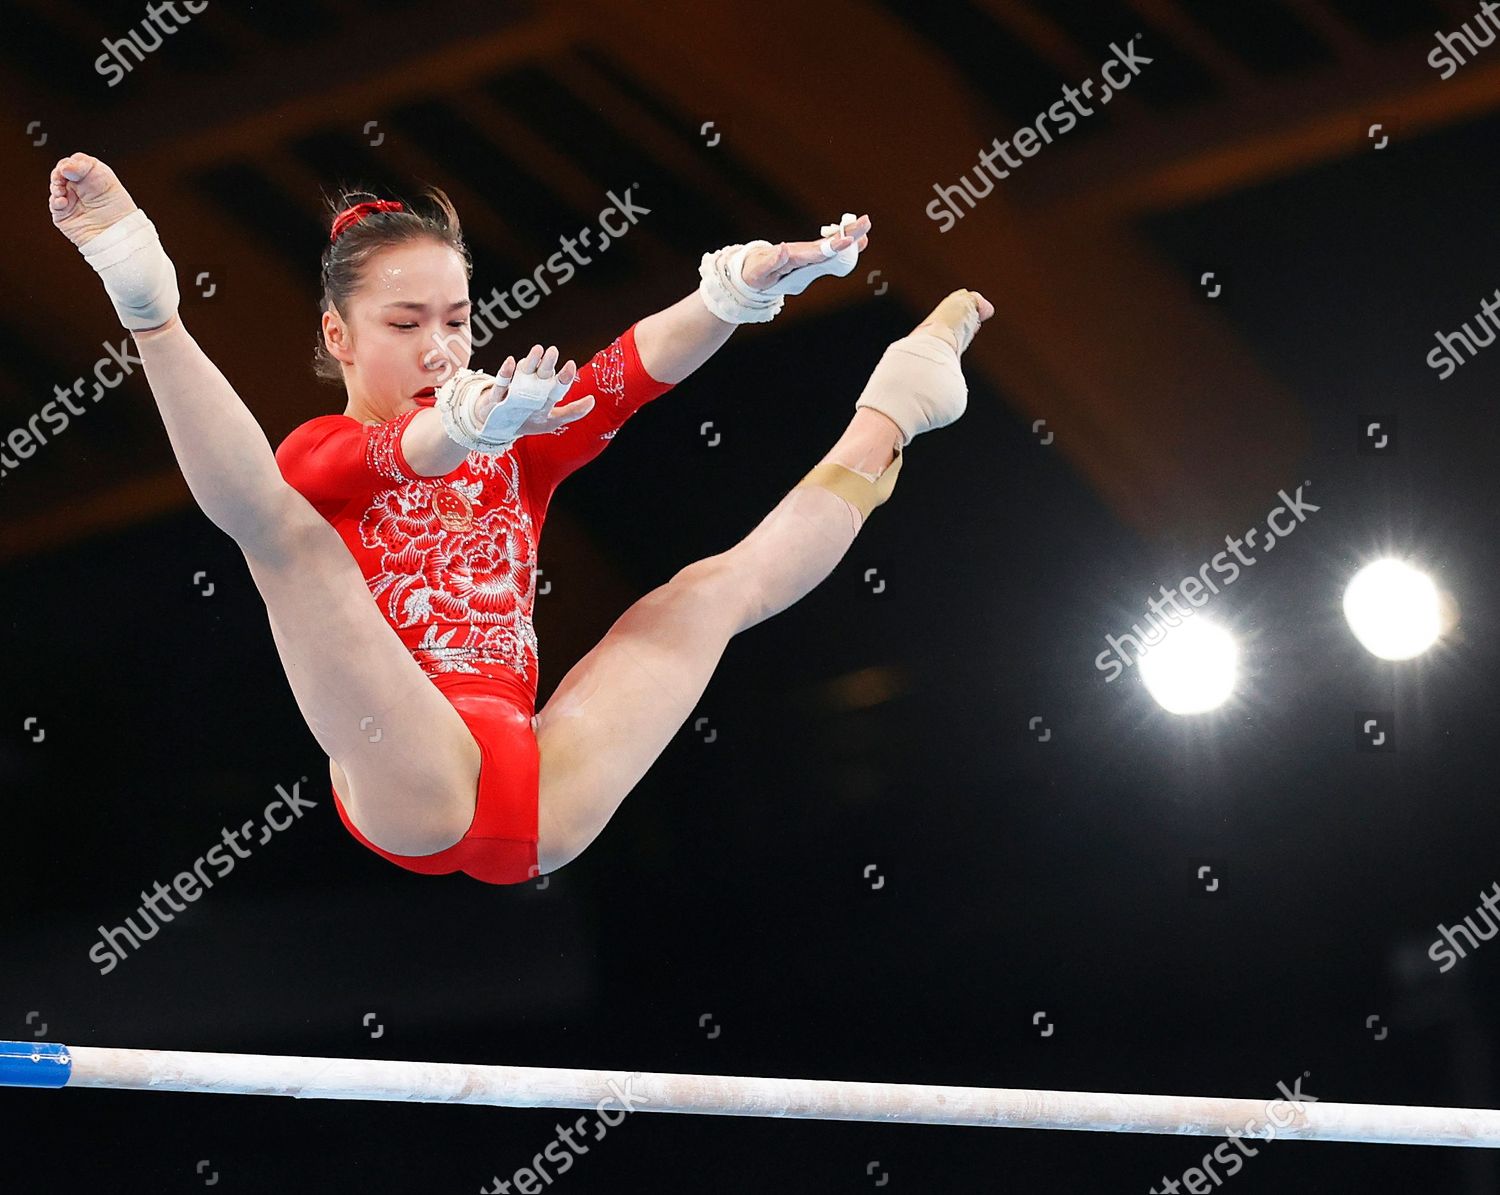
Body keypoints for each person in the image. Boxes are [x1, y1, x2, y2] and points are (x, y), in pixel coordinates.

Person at [48, 150, 992, 885]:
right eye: (405, 323)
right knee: (281, 534)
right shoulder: (317, 457)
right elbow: (395, 455)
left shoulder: (513, 437)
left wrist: (736, 291)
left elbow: (627, 375)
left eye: (456, 320)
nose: (440, 345)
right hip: (409, 780)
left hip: (543, 791)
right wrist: (465, 420)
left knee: (708, 592)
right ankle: (149, 308)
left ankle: (901, 403)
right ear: (338, 336)